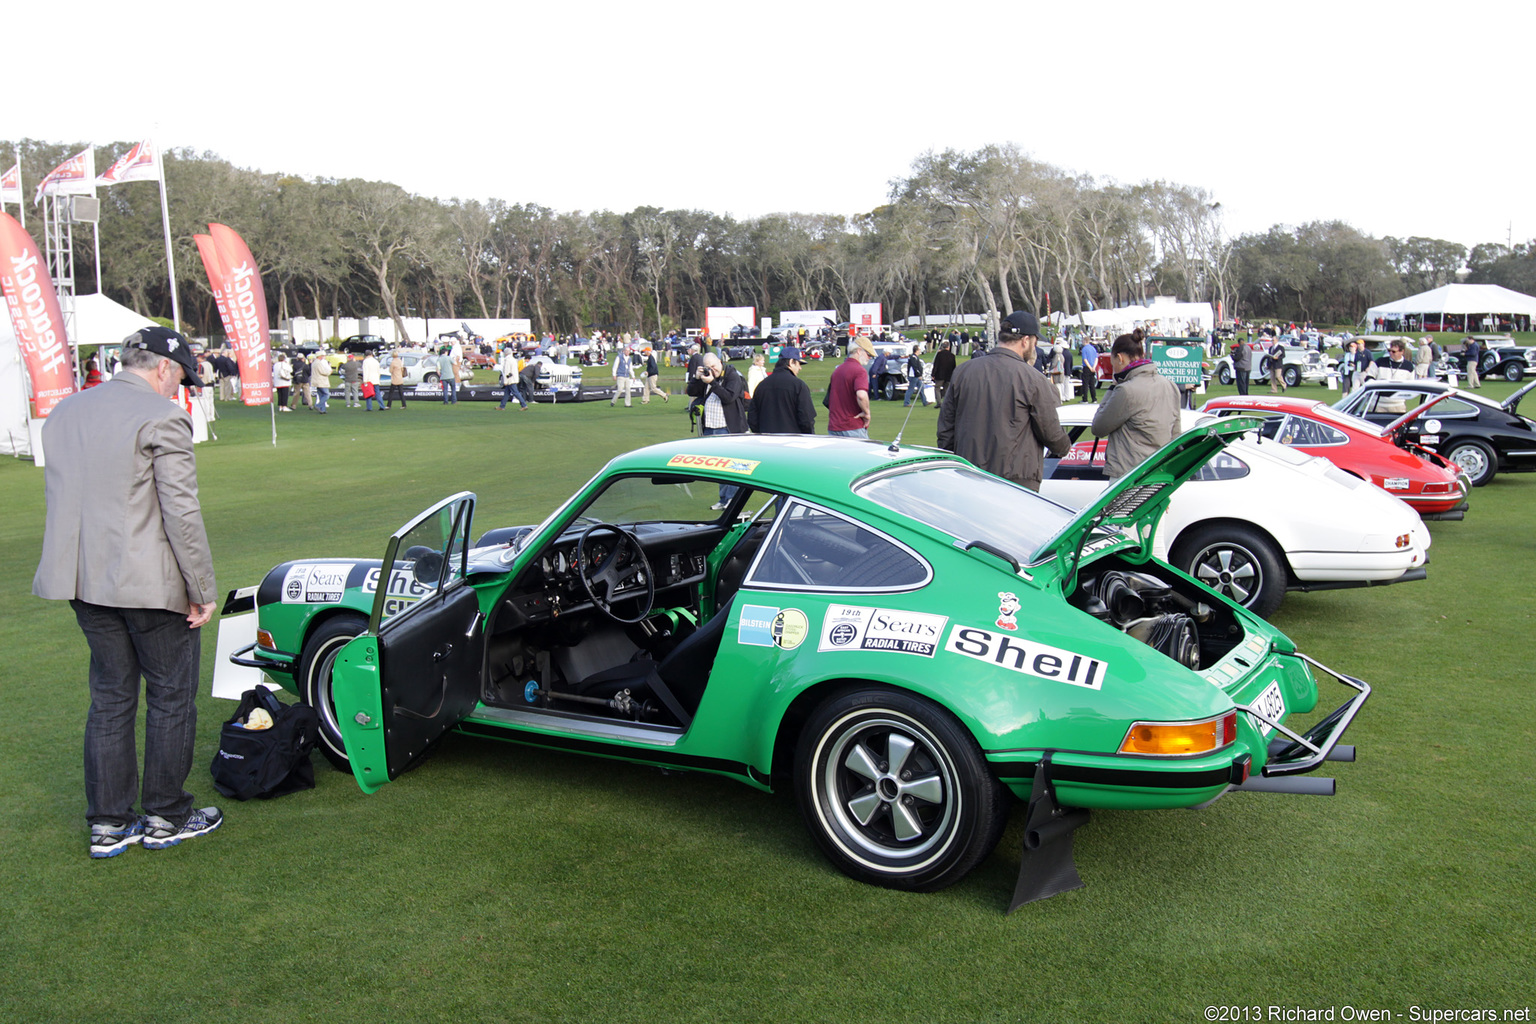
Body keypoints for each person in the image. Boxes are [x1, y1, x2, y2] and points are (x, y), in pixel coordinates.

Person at [33, 327, 222, 858]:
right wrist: (201, 588)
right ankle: (166, 814)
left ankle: (109, 823)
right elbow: (181, 513)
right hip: (147, 582)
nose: (177, 387)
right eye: (179, 376)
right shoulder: (162, 416)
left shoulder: (67, 411)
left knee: (111, 698)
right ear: (163, 367)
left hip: (82, 577)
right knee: (170, 696)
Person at [936, 309, 1069, 491]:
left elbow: (945, 431)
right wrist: (1065, 446)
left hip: (969, 476)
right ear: (1025, 341)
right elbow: (1052, 434)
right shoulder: (1033, 379)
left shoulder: (963, 372)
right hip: (1015, 481)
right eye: (1035, 341)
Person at [1091, 330, 1182, 479]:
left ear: (1120, 358)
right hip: (1158, 471)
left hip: (1128, 473)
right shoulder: (1170, 386)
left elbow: (1099, 427)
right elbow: (1175, 433)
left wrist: (1113, 387)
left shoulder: (1126, 390)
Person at [686, 352, 748, 508]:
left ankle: (731, 499)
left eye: (714, 366)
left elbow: (729, 397)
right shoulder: (707, 377)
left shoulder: (733, 376)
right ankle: (723, 499)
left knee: (731, 465)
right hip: (710, 427)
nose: (712, 370)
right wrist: (697, 377)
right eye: (708, 368)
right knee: (718, 466)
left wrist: (713, 383)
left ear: (720, 362)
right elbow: (691, 391)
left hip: (728, 427)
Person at [748, 346, 816, 434]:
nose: (800, 368)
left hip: (767, 442)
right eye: (799, 364)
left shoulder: (762, 386)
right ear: (791, 362)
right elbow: (807, 419)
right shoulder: (799, 386)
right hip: (792, 442)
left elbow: (752, 419)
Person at [828, 335, 874, 438]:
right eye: (868, 354)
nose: (869, 357)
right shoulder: (859, 370)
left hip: (834, 426)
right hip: (852, 426)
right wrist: (867, 413)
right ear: (859, 351)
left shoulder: (837, 370)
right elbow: (861, 395)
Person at [1079, 337, 1100, 402]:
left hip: (1087, 367)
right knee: (1092, 384)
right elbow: (1096, 358)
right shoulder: (1093, 348)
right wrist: (1094, 367)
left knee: (1085, 384)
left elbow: (1085, 359)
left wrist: (1090, 367)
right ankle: (1094, 398)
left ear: (1085, 341)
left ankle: (1085, 399)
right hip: (1093, 367)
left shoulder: (1084, 349)